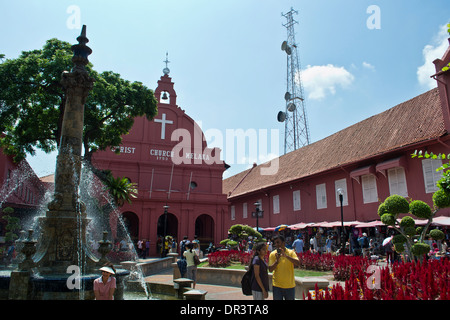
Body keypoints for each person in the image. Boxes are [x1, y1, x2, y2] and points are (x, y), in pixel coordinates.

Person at [269, 235, 300, 300]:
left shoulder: (291, 252)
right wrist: (277, 261)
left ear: (283, 243)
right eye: (275, 243)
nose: (276, 244)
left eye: (278, 242)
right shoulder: (272, 254)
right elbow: (270, 269)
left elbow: (298, 263)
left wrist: (286, 256)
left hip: (290, 286)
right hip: (277, 286)